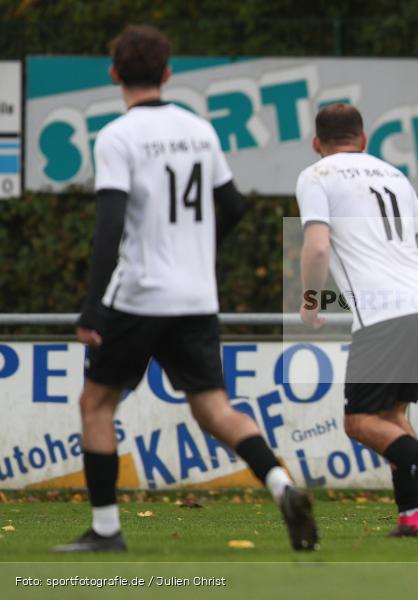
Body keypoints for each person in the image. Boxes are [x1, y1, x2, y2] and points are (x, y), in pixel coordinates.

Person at [53, 25, 317, 553]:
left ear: (114, 74)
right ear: (168, 73)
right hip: (196, 295)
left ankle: (106, 530)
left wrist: (91, 308)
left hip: (140, 294)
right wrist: (197, 249)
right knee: (214, 408)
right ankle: (280, 483)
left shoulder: (116, 136)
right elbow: (235, 204)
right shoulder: (200, 130)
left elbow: (109, 228)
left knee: (97, 404)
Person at [296, 104, 418, 537]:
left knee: (358, 421)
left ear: (317, 143)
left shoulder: (317, 176)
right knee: (392, 415)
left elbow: (317, 248)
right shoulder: (394, 175)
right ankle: (411, 516)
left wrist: (310, 302)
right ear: (364, 139)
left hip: (384, 312)